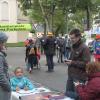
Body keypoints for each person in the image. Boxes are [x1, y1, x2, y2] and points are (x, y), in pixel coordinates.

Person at [65, 29, 91, 94]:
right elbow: (72, 59)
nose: (71, 40)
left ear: (78, 37)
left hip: (79, 78)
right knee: (68, 94)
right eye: (70, 38)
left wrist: (72, 62)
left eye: (72, 38)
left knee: (77, 96)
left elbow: (87, 64)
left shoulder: (85, 48)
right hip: (71, 75)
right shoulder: (73, 46)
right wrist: (68, 62)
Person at [0, 32, 11, 100]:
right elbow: (0, 75)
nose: (5, 44)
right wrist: (8, 87)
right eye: (4, 42)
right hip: (2, 88)